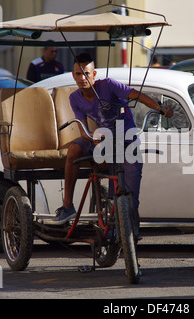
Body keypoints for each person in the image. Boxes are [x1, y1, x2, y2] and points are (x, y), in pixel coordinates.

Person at [44, 53, 173, 225]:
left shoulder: (109, 85)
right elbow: (84, 130)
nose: (82, 78)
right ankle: (67, 206)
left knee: (131, 192)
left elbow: (137, 95)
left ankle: (130, 233)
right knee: (74, 148)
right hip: (104, 139)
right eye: (77, 74)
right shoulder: (74, 98)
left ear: (94, 74)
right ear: (73, 75)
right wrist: (94, 136)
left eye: (86, 73)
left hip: (126, 140)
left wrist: (161, 109)